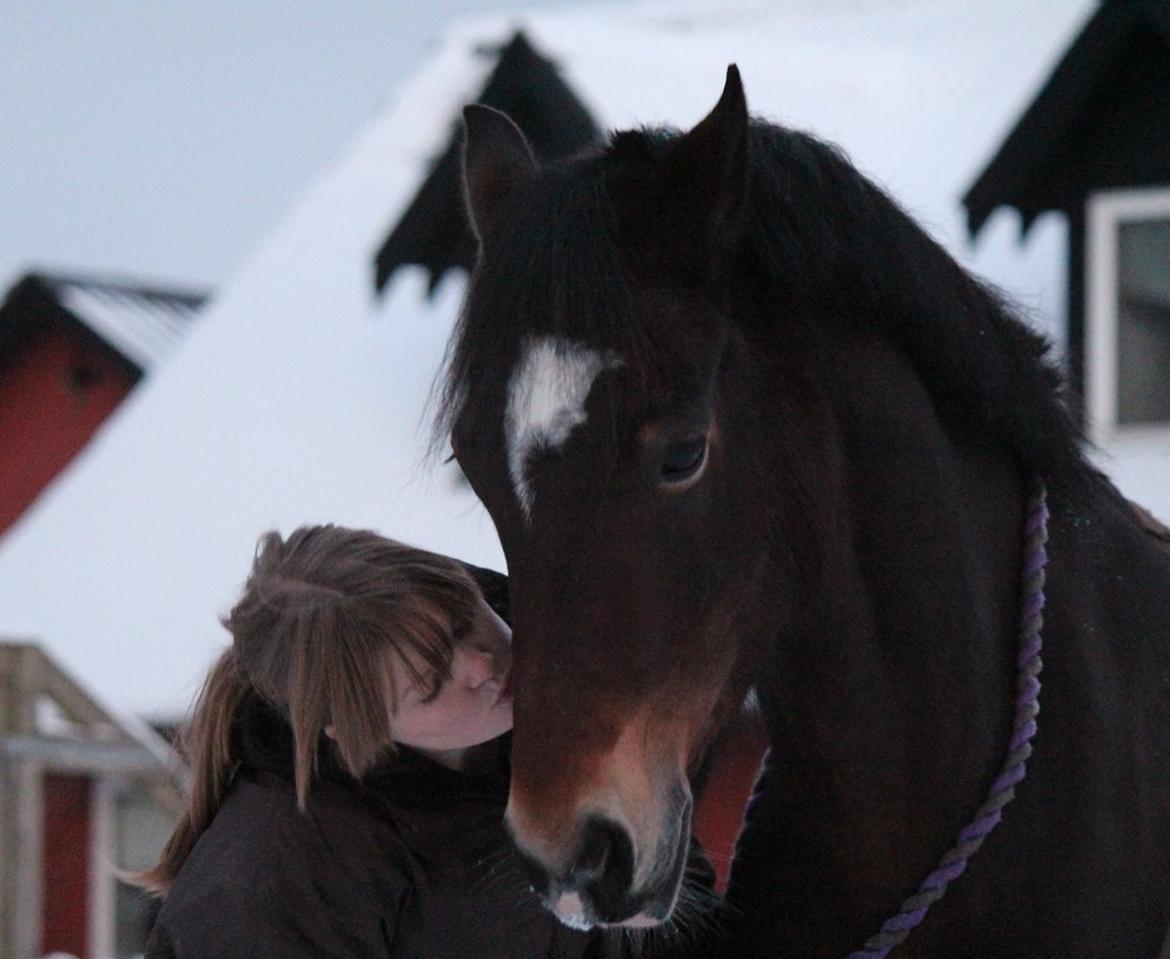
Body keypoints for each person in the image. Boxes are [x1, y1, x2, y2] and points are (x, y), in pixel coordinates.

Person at [138, 524, 643, 958]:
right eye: (428, 682)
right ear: (352, 726)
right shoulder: (277, 879)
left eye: (469, 621)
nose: (483, 664)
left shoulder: (581, 726)